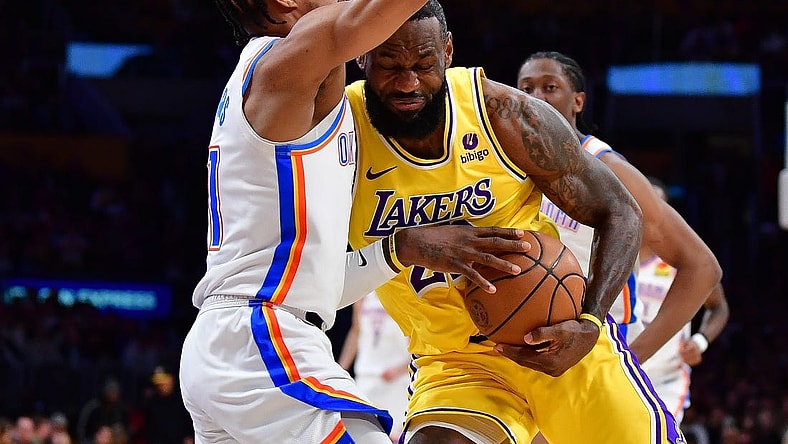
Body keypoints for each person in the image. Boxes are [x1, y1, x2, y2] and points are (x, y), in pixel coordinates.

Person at [180, 1, 531, 443]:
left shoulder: (282, 74)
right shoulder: (288, 59)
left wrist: (401, 247)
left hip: (237, 341)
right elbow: (365, 18)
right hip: (262, 341)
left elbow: (312, 286)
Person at [345, 2, 690, 443]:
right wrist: (405, 246)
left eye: (424, 64)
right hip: (455, 361)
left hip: (555, 335)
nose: (408, 81)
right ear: (362, 55)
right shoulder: (339, 137)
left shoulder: (503, 114)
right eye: (390, 64)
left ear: (448, 52)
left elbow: (619, 211)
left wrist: (589, 321)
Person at [516, 51, 723, 364]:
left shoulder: (607, 166)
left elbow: (703, 268)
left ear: (578, 102)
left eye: (550, 87)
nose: (536, 97)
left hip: (598, 347)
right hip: (528, 343)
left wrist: (631, 359)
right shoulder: (507, 167)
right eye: (526, 88)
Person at [636, 176, 730, 424]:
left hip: (666, 378)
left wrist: (700, 341)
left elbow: (719, 307)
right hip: (615, 371)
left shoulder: (684, 263)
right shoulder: (611, 253)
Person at [338, 292, 411, 443]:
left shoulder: (404, 292)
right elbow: (356, 331)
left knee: (396, 436)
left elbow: (418, 341)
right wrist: (340, 369)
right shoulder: (362, 295)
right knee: (362, 436)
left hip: (397, 381)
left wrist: (401, 369)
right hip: (366, 377)